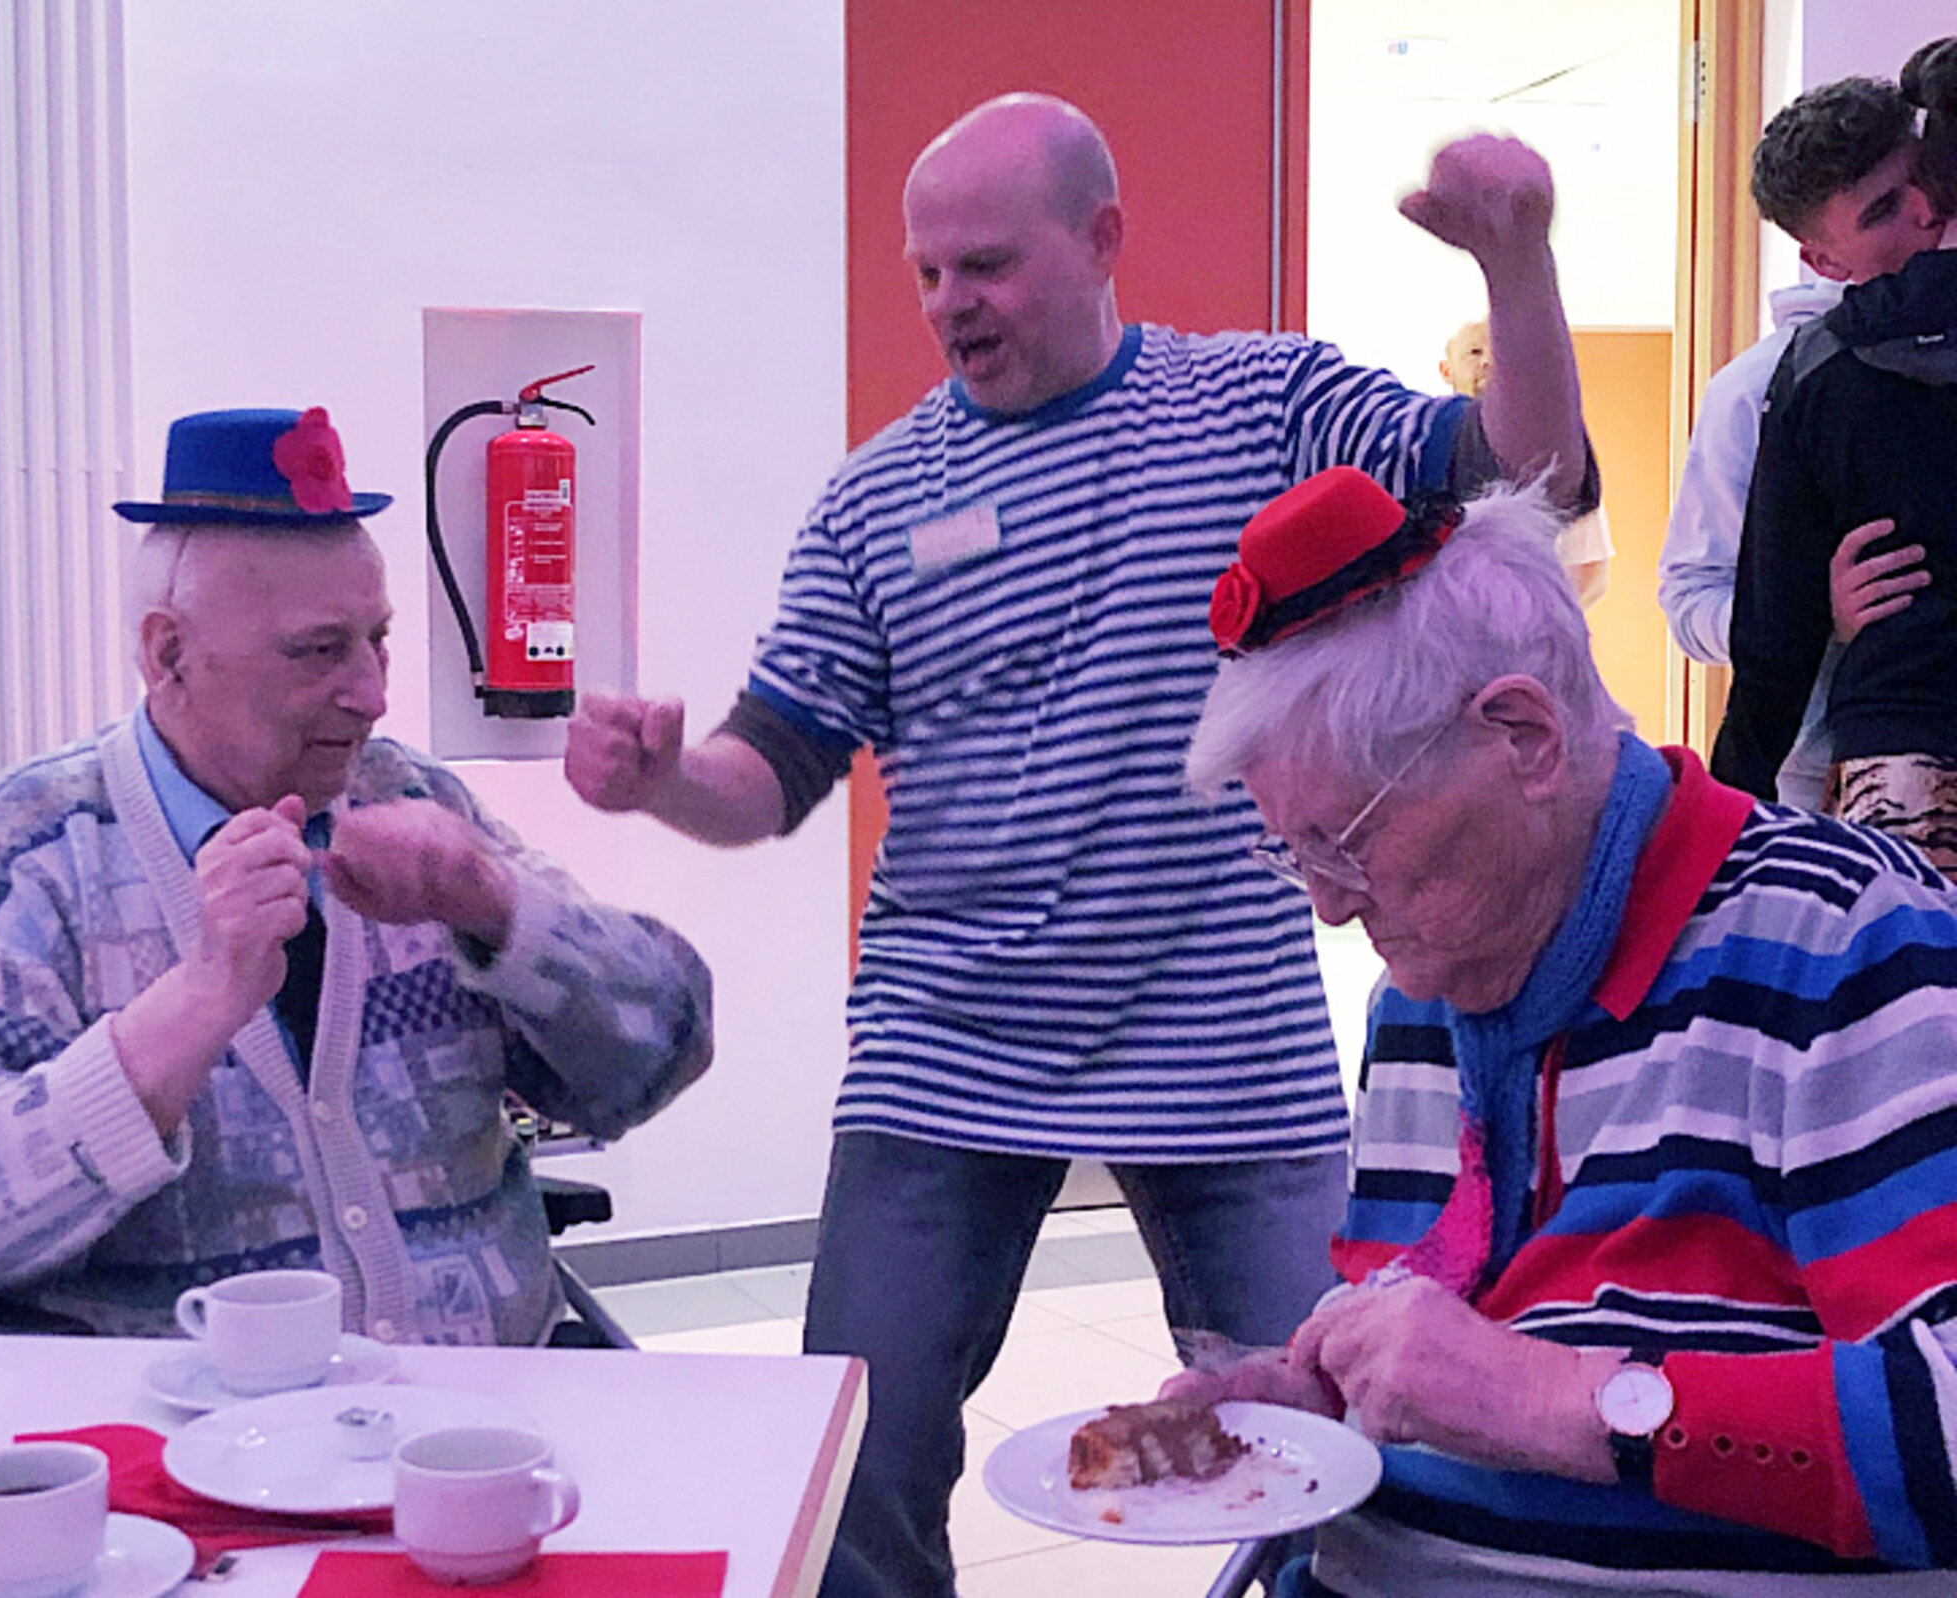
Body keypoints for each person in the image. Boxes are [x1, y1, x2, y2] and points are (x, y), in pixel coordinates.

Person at [563, 92, 1595, 1598]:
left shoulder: (1261, 406)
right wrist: (664, 780)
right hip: (948, 1040)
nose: (947, 303)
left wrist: (1516, 266)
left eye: (983, 263)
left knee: (1351, 1442)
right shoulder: (874, 500)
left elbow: (1528, 476)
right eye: (927, 272)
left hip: (1218, 1025)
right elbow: (768, 772)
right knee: (854, 1461)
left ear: (1103, 237)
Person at [1179, 465, 1957, 1597]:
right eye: (1295, 853)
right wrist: (1314, 1397)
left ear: (1524, 735)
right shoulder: (1421, 992)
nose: (1330, 905)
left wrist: (1557, 1399)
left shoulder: (1844, 943)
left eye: (1346, 841)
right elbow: (1433, 1350)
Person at [0, 406, 714, 1343]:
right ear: (168, 653)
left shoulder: (413, 800)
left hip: (485, 1405)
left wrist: (497, 905)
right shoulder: (26, 854)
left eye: (377, 640)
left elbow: (661, 1055)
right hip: (188, 1422)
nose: (373, 694)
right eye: (319, 650)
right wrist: (197, 999)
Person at [1667, 70, 1945, 811]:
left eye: (1922, 182)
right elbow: (1688, 595)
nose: (1925, 213)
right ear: (1825, 261)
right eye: (1883, 211)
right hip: (1831, 767)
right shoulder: (1759, 389)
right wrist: (1803, 609)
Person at [1440, 316, 1612, 605]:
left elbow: (1590, 570)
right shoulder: (1421, 444)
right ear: (1446, 370)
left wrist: (1538, 619)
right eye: (1474, 352)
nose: (1488, 362)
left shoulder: (1554, 451)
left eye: (1499, 352)